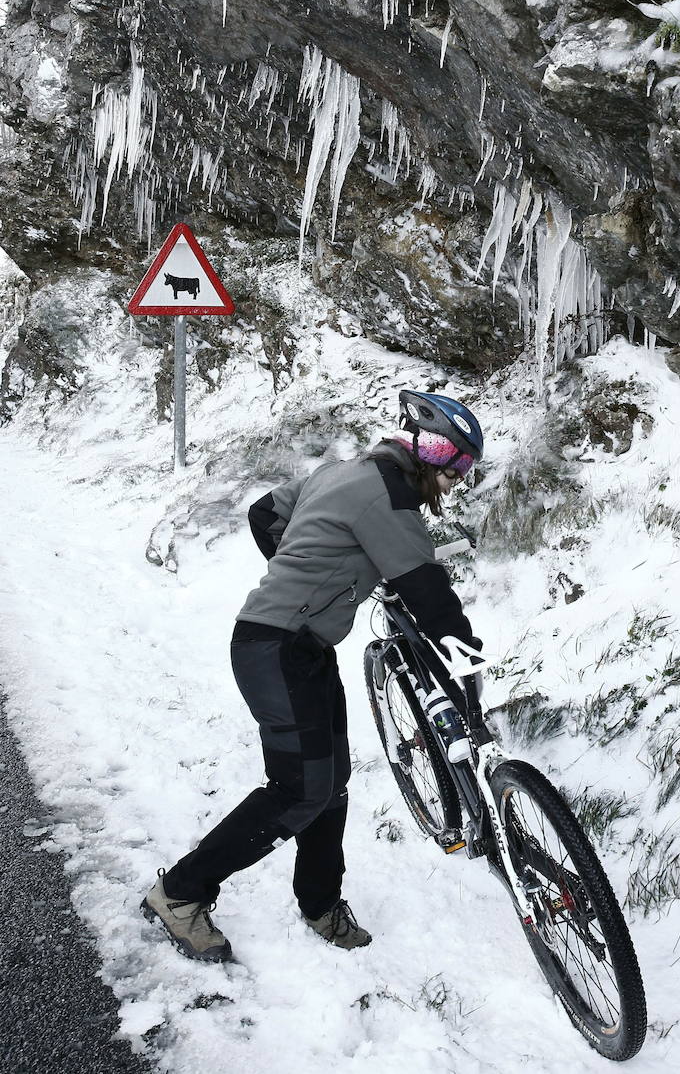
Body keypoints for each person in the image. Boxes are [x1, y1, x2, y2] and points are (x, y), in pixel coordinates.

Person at [141, 389, 484, 963]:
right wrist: (466, 653)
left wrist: (309, 573)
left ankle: (321, 903)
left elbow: (265, 513)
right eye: (457, 466)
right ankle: (178, 895)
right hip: (277, 649)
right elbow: (428, 591)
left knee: (330, 781)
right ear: (430, 453)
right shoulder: (390, 497)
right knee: (299, 789)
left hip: (294, 646)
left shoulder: (340, 472)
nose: (456, 481)